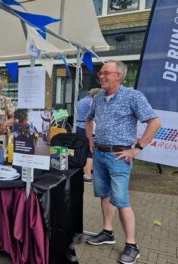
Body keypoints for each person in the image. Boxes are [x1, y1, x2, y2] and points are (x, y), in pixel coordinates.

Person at [85, 60, 161, 264]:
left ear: (119, 75)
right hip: (100, 154)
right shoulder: (99, 98)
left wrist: (137, 148)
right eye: (100, 73)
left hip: (119, 156)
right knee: (104, 194)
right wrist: (90, 140)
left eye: (106, 73)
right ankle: (107, 233)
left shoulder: (133, 96)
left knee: (121, 200)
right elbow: (88, 119)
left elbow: (155, 123)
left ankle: (131, 245)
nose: (101, 76)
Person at [76, 88, 101, 183]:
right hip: (87, 127)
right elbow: (94, 115)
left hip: (79, 126)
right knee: (89, 152)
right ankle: (88, 175)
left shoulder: (81, 101)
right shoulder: (91, 102)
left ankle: (89, 172)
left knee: (85, 149)